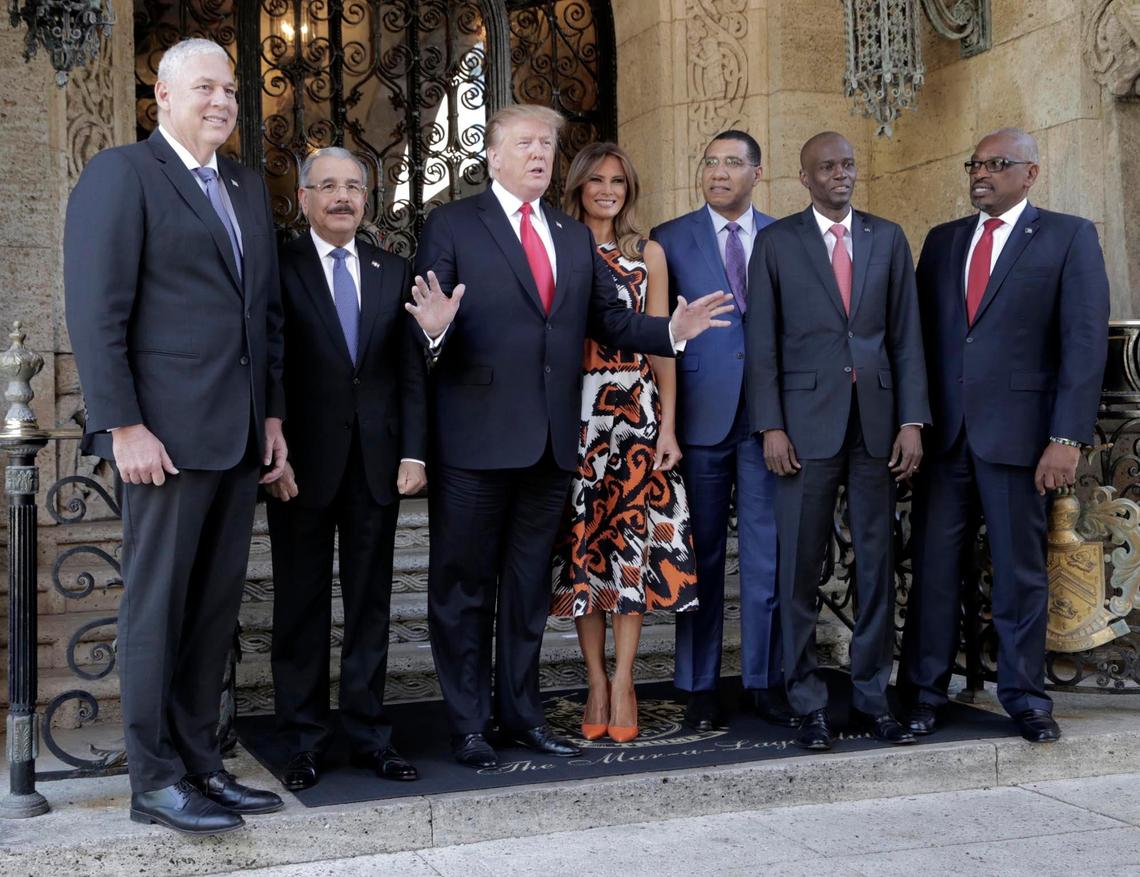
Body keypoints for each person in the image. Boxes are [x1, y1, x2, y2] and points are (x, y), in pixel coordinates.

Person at [405, 104, 734, 769]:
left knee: (527, 592)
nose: (538, 154)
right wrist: (435, 328)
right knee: (463, 588)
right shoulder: (453, 224)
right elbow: (418, 335)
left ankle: (521, 715)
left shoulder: (570, 234)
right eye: (524, 143)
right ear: (492, 155)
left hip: (556, 445)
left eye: (548, 145)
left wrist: (671, 330)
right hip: (473, 443)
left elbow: (611, 322)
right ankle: (468, 724)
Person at [64, 38, 286, 835]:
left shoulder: (245, 186)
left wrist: (272, 417)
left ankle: (200, 764)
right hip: (160, 437)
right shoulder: (124, 174)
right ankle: (153, 779)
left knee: (211, 612)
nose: (222, 100)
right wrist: (121, 422)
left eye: (230, 88)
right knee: (156, 612)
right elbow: (96, 310)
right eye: (205, 87)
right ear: (162, 94)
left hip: (234, 436)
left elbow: (262, 318)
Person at [899, 128, 1110, 743]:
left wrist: (1065, 437)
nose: (982, 174)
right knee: (934, 568)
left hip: (1023, 441)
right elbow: (918, 343)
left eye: (997, 164)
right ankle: (923, 694)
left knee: (1020, 571)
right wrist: (913, 421)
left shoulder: (1069, 236)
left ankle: (1023, 696)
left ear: (1031, 173)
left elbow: (1083, 344)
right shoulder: (942, 242)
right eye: (975, 164)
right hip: (946, 441)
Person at [746, 131, 929, 751]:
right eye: (827, 167)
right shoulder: (775, 243)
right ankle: (808, 701)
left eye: (848, 165)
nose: (840, 175)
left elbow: (907, 338)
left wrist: (912, 421)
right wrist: (769, 423)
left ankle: (875, 697)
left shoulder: (888, 237)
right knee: (799, 568)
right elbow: (762, 342)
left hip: (877, 428)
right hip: (802, 429)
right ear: (804, 178)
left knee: (876, 567)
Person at [265, 147, 428, 790]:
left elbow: (409, 369)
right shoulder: (279, 268)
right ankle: (303, 739)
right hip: (300, 465)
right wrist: (268, 450)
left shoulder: (395, 269)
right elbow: (268, 362)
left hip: (377, 465)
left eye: (353, 187)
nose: (341, 197)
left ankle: (368, 735)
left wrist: (415, 451)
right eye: (327, 186)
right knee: (299, 608)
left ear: (369, 199)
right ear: (302, 198)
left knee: (370, 607)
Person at [550, 142, 699, 744]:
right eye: (597, 180)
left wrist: (668, 426)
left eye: (618, 180)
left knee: (630, 551)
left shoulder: (648, 253)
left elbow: (663, 339)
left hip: (635, 413)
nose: (607, 189)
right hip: (575, 413)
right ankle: (593, 679)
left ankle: (626, 680)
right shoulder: (560, 244)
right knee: (584, 550)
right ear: (580, 185)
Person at [651, 130, 793, 732]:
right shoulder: (670, 238)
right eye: (709, 161)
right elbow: (660, 337)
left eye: (732, 163)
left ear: (757, 173)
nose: (717, 172)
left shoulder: (786, 237)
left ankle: (765, 679)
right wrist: (667, 423)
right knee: (700, 555)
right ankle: (699, 684)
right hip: (700, 417)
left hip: (768, 422)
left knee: (767, 555)